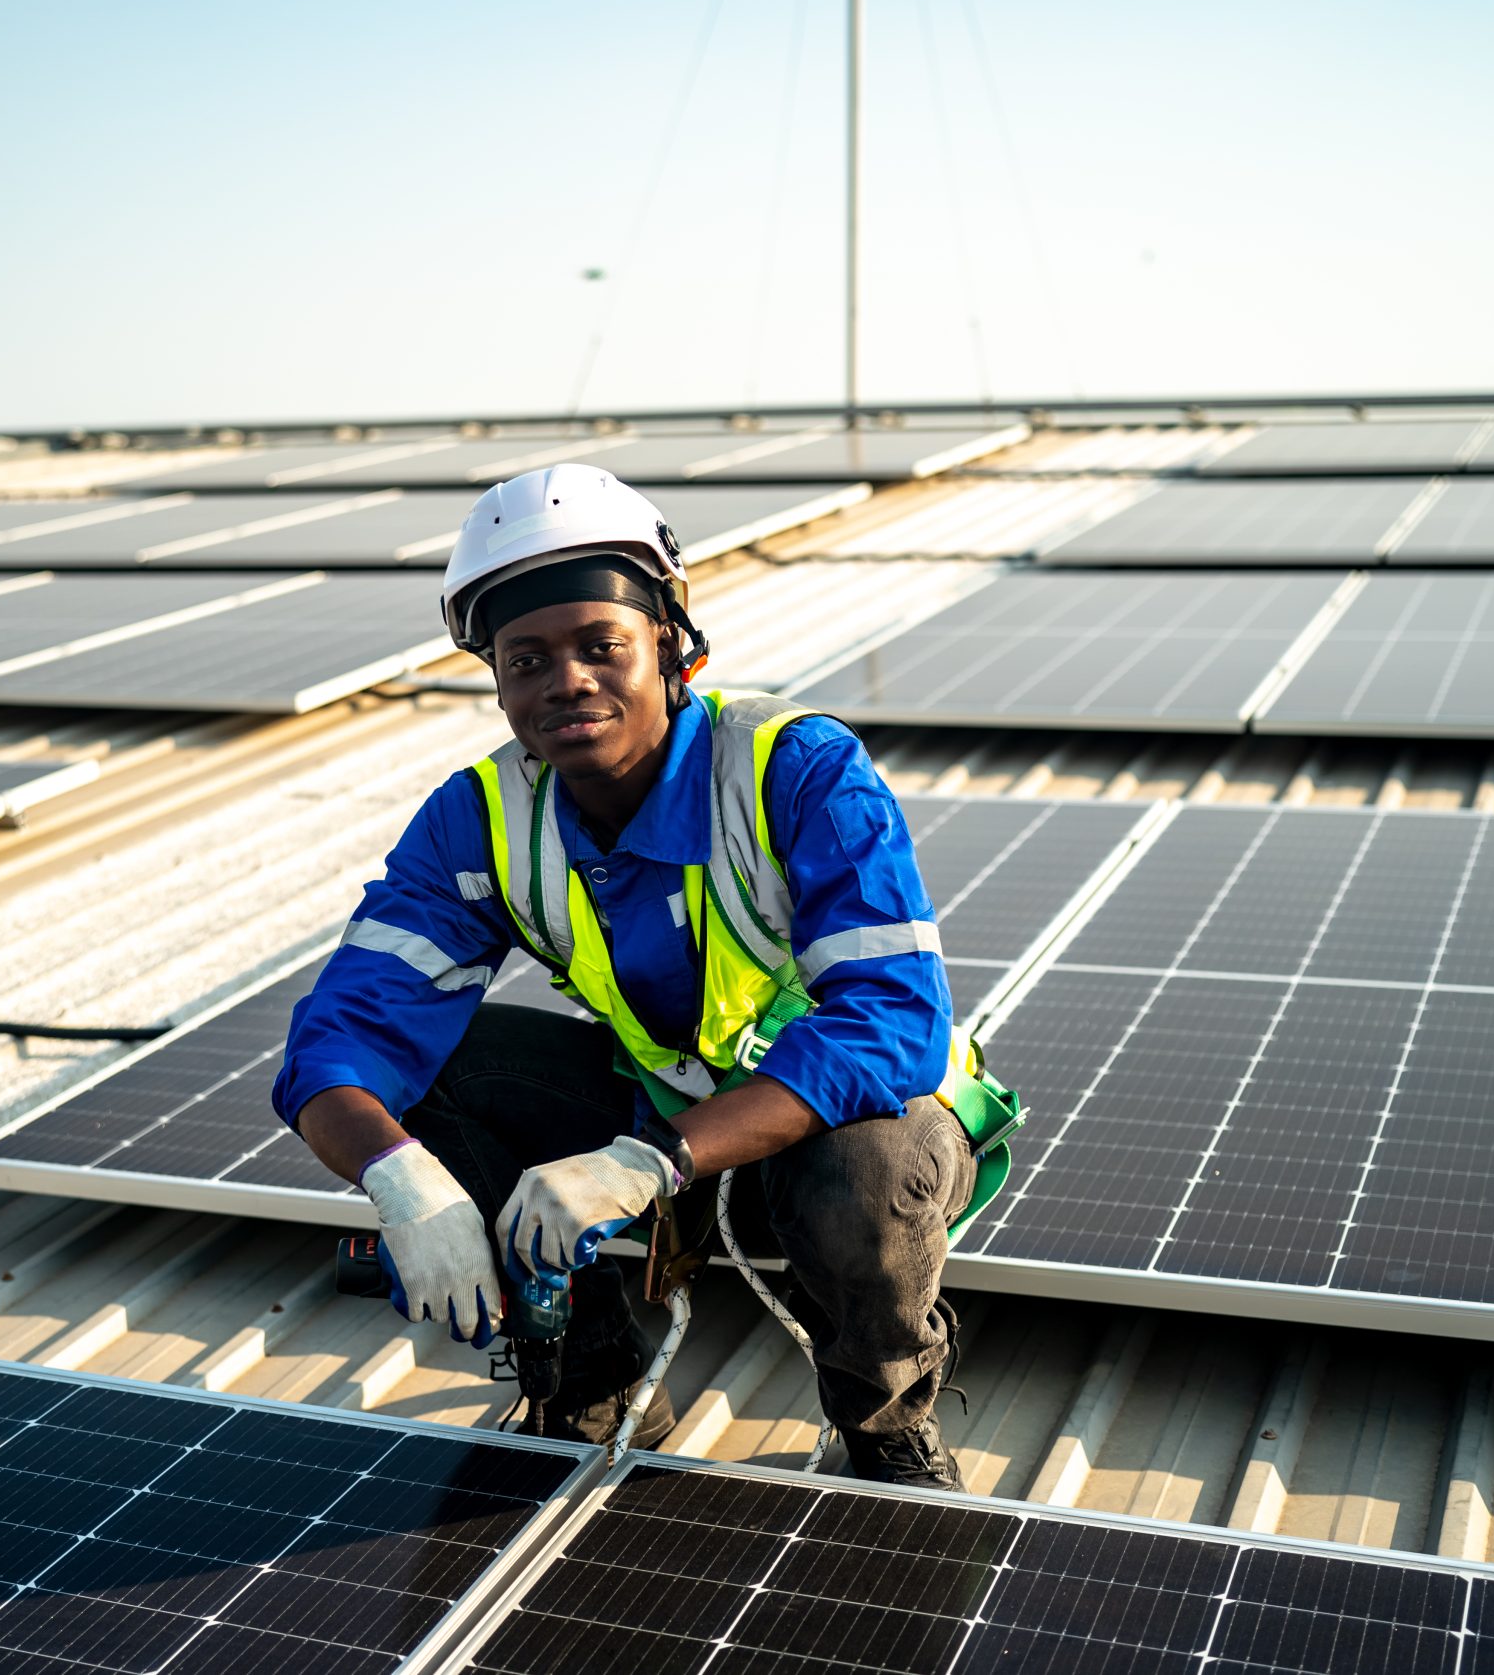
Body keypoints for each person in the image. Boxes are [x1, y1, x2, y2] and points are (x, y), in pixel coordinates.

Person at [272, 462, 1004, 1488]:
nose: (565, 680)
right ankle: (594, 1381)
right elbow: (341, 1034)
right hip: (665, 1119)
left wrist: (648, 1162)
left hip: (848, 1130)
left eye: (600, 645)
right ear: (497, 682)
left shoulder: (793, 769)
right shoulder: (482, 817)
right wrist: (402, 1179)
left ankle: (884, 1427)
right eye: (526, 659)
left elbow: (892, 1024)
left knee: (865, 1174)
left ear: (670, 643)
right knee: (430, 1080)